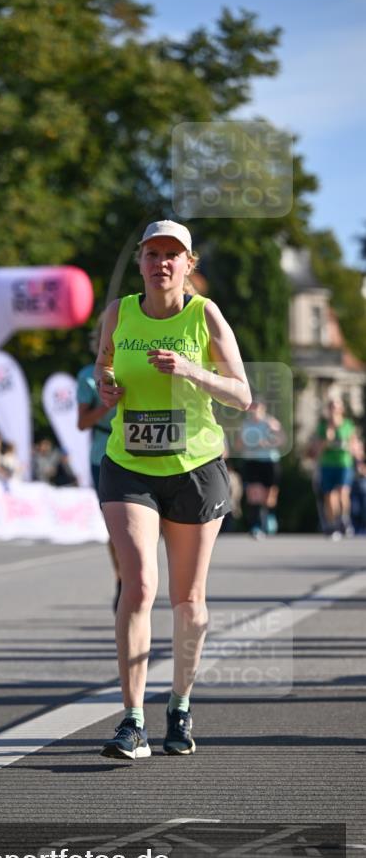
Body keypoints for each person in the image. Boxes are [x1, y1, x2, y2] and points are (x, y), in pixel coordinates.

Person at [94, 220, 251, 760]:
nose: (161, 263)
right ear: (140, 261)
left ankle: (180, 705)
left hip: (194, 468)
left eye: (172, 255)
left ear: (188, 264)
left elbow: (241, 394)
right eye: (152, 253)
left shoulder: (204, 315)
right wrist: (107, 384)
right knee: (138, 585)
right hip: (129, 464)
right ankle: (132, 720)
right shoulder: (119, 313)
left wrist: (191, 370)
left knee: (188, 599)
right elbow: (104, 364)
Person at [76, 317, 120, 609]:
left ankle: (136, 576)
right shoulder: (88, 377)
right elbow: (82, 423)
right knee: (116, 526)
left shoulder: (137, 367)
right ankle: (122, 578)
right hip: (103, 454)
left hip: (141, 450)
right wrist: (107, 403)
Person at [234, 398, 285, 538]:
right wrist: (246, 441)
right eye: (253, 407)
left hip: (269, 461)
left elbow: (282, 441)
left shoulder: (271, 423)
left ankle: (269, 517)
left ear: (263, 408)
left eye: (257, 407)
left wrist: (269, 440)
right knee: (254, 493)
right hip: (251, 461)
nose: (255, 410)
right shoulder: (245, 425)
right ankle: (256, 525)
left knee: (269, 496)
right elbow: (238, 446)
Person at [309, 397, 359, 539]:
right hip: (327, 464)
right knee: (330, 495)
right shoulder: (323, 426)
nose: (333, 411)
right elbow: (317, 450)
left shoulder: (348, 425)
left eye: (336, 408)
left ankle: (344, 519)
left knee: (343, 492)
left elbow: (355, 446)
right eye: (331, 408)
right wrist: (327, 439)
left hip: (344, 464)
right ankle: (333, 524)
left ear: (341, 410)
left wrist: (349, 448)